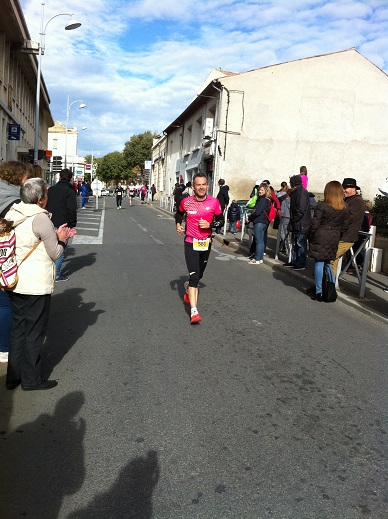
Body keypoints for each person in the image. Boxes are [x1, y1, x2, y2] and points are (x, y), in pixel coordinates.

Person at [5, 177, 73, 390]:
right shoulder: (40, 218)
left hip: (14, 279)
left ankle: (13, 376)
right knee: (34, 331)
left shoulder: (12, 213)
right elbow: (55, 252)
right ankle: (31, 379)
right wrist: (61, 238)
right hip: (35, 282)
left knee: (18, 329)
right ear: (41, 198)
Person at [175, 173, 223, 324]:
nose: (201, 187)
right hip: (190, 242)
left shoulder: (214, 203)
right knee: (194, 276)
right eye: (198, 185)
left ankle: (188, 287)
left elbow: (221, 220)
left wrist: (211, 225)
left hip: (205, 243)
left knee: (199, 274)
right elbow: (179, 214)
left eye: (203, 184)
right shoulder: (186, 202)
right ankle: (194, 312)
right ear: (193, 187)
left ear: (207, 186)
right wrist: (178, 225)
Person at [0, 161, 34, 364]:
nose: (27, 181)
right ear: (18, 178)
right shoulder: (12, 202)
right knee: (6, 305)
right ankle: (4, 348)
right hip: (5, 256)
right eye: (26, 178)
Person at [308, 181, 349, 301]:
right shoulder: (345, 207)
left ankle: (318, 291)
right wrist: (336, 233)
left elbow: (315, 224)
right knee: (328, 263)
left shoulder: (323, 206)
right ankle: (330, 289)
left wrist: (311, 236)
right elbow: (345, 227)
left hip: (321, 234)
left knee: (319, 263)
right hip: (334, 236)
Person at [45, 169, 77, 282]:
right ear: (70, 178)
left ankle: (49, 272)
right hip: (63, 224)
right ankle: (57, 275)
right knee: (60, 249)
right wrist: (72, 224)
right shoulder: (69, 191)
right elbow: (72, 209)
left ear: (60, 177)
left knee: (48, 249)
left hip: (49, 222)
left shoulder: (51, 190)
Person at [331, 178, 365, 277]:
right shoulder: (348, 200)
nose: (343, 190)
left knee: (331, 259)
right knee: (331, 259)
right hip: (341, 236)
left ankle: (329, 285)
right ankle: (327, 283)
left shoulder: (357, 201)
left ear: (353, 189)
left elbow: (347, 218)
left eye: (346, 188)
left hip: (347, 237)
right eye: (343, 187)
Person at [284, 174, 311, 270]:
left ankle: (301, 263)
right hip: (297, 222)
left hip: (301, 223)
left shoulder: (301, 193)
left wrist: (294, 219)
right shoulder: (297, 192)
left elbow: (301, 209)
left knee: (300, 244)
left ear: (292, 184)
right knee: (296, 243)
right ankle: (295, 261)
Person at [246, 184, 271, 264]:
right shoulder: (266, 200)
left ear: (266, 191)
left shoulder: (263, 200)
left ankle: (257, 258)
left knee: (258, 240)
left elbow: (257, 212)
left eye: (262, 190)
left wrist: (250, 217)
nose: (260, 191)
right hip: (263, 222)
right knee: (261, 240)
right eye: (260, 190)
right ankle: (260, 258)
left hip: (260, 221)